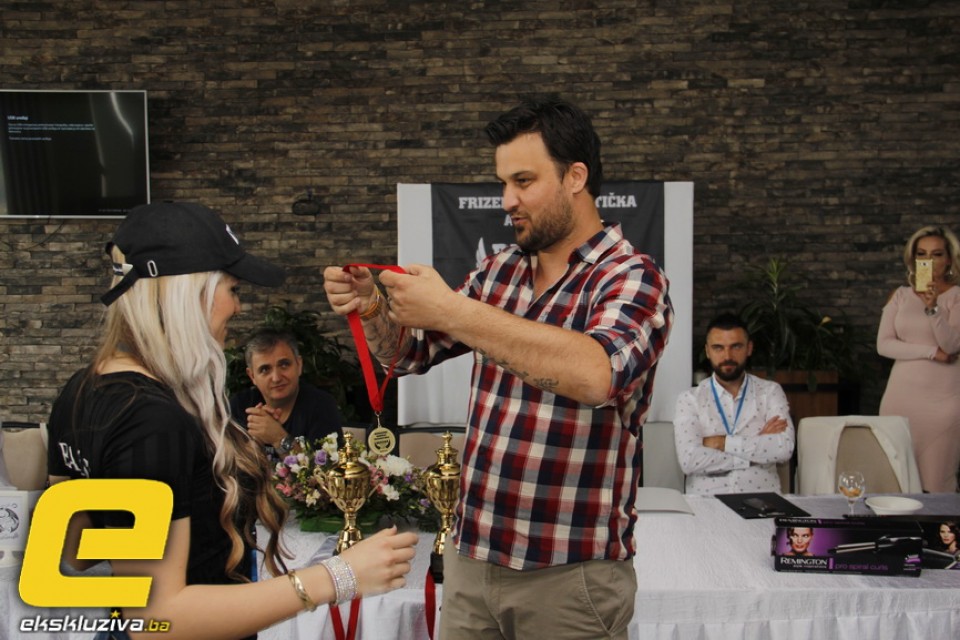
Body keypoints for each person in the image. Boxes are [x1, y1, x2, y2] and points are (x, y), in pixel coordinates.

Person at [324, 97, 673, 639]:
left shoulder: (632, 277)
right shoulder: (499, 271)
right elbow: (408, 353)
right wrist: (372, 308)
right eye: (504, 183)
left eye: (524, 181)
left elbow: (596, 374)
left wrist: (454, 311)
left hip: (570, 576)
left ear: (575, 177)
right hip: (472, 559)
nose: (508, 200)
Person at [47, 202, 417, 640]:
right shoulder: (152, 418)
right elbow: (155, 620)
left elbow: (75, 550)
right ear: (191, 293)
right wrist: (338, 576)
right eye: (233, 290)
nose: (238, 308)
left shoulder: (80, 390)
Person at [877, 225, 960, 493]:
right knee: (895, 484)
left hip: (942, 406)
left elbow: (952, 345)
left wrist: (933, 308)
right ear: (913, 260)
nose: (929, 260)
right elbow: (884, 345)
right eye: (921, 254)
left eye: (936, 254)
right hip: (899, 400)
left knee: (937, 485)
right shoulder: (900, 295)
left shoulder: (957, 297)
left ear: (949, 259)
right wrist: (931, 352)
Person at [673, 312, 794, 495]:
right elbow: (689, 460)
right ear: (707, 351)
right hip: (706, 503)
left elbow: (783, 448)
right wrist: (755, 450)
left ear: (749, 348)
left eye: (736, 346)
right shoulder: (689, 399)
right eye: (718, 348)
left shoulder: (770, 392)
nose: (727, 356)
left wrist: (722, 442)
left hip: (764, 501)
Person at [229, 328, 344, 459]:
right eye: (265, 369)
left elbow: (326, 469)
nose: (276, 378)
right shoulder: (240, 406)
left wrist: (279, 438)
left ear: (299, 365)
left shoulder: (322, 405)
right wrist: (254, 443)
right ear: (252, 376)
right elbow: (226, 466)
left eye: (284, 365)